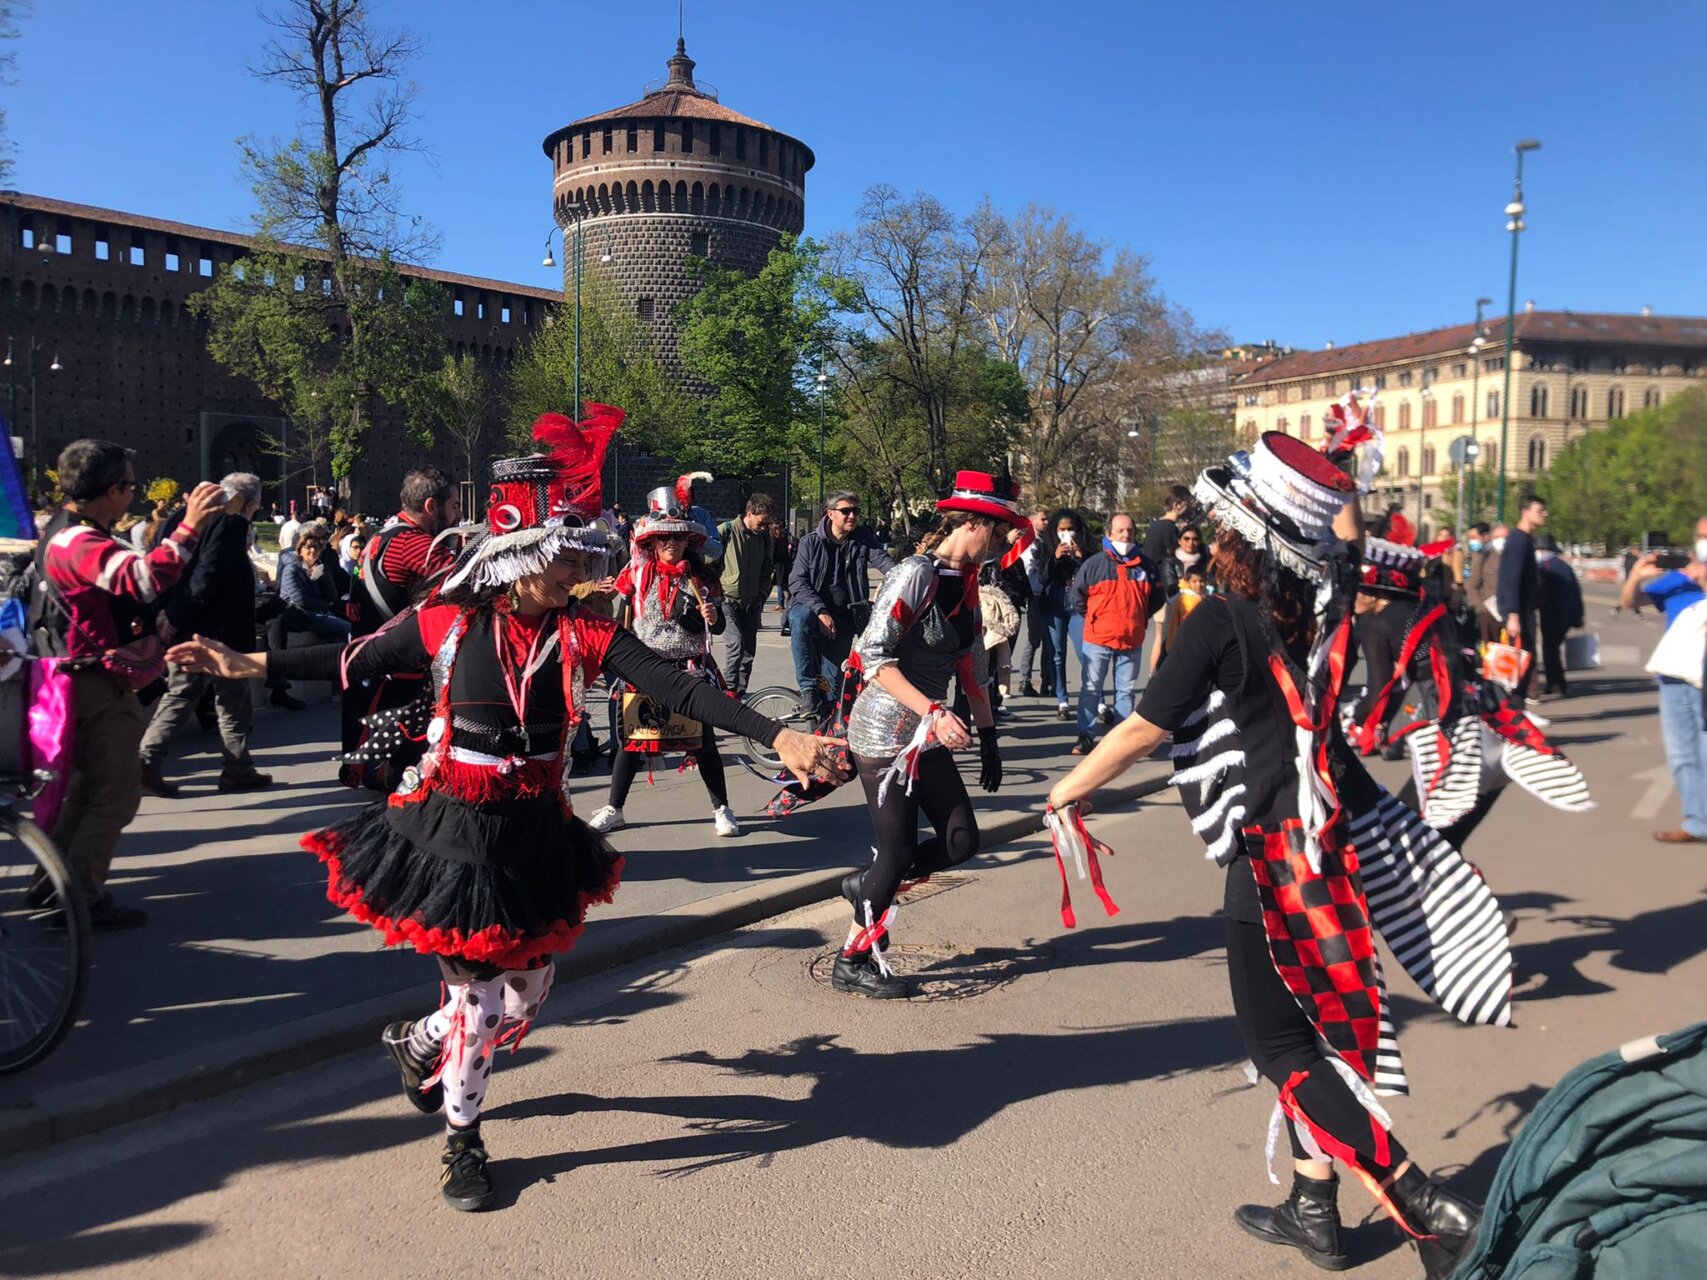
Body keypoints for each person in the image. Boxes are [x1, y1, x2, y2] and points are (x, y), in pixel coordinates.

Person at [166, 407, 841, 1212]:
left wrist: (780, 735)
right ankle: (463, 1142)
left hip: (535, 830)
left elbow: (675, 685)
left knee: (527, 994)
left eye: (579, 566)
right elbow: (350, 659)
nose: (576, 579)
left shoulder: (585, 632)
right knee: (481, 999)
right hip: (452, 827)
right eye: (561, 568)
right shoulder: (448, 622)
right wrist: (246, 661)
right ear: (515, 565)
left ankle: (417, 1043)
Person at [1048, 431, 1502, 1279]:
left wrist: (1067, 788)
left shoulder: (1221, 617)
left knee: (1279, 1049)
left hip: (1266, 856)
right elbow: (1355, 552)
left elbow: (1146, 725)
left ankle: (1423, 1203)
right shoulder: (1323, 608)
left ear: (1237, 537)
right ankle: (1313, 1207)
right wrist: (1340, 475)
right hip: (1328, 844)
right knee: (1311, 1036)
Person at [832, 470, 1023, 998]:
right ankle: (852, 959)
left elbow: (972, 669)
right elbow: (874, 657)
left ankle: (864, 887)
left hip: (926, 732)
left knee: (962, 841)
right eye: (1002, 530)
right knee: (894, 853)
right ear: (976, 523)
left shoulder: (969, 583)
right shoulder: (916, 573)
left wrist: (989, 738)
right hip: (884, 732)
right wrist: (935, 711)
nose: (1006, 542)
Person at [33, 441, 226, 928]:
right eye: (130, 486)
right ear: (113, 490)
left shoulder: (62, 532)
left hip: (74, 677)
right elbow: (142, 579)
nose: (133, 496)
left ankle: (54, 883)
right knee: (117, 792)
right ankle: (80, 899)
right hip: (93, 683)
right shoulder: (77, 541)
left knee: (87, 788)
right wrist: (190, 526)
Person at [587, 483, 739, 837]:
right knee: (631, 743)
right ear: (652, 543)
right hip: (646, 668)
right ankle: (615, 808)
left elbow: (717, 629)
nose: (672, 545)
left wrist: (713, 616)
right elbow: (618, 607)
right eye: (664, 539)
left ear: (688, 541)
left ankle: (722, 808)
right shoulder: (637, 574)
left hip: (689, 667)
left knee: (702, 742)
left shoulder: (702, 578)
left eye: (678, 539)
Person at [138, 472, 273, 799]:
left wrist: (167, 614)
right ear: (250, 503)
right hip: (218, 630)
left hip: (185, 623)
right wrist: (176, 615)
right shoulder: (230, 524)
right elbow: (206, 576)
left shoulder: (178, 520)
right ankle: (234, 769)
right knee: (231, 700)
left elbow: (163, 567)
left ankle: (150, 762)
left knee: (183, 695)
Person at [1621, 521, 1707, 844]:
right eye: (1700, 536)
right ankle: (1697, 821)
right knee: (1682, 754)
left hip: (1704, 680)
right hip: (1673, 677)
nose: (1703, 542)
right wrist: (1636, 576)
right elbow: (1631, 602)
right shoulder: (1677, 580)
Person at [788, 491, 896, 716]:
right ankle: (807, 689)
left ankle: (824, 732)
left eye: (856, 511)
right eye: (846, 511)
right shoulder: (810, 542)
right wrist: (820, 610)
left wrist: (904, 575)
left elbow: (884, 562)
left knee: (832, 687)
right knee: (799, 618)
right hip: (812, 610)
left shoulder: (862, 538)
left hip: (845, 617)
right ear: (830, 514)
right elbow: (797, 582)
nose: (852, 516)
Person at [1068, 513, 1162, 755]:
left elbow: (1157, 599)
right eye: (1120, 530)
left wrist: (1139, 619)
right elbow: (1077, 597)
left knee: (1126, 692)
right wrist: (1095, 618)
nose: (1126, 535)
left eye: (1130, 530)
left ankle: (1122, 742)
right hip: (1098, 638)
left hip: (1131, 638)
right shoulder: (1094, 564)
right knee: (1091, 689)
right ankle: (1086, 737)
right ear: (1109, 534)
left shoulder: (1147, 566)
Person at [354, 468, 463, 633]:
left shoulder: (384, 534)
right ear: (431, 506)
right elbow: (469, 580)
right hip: (390, 653)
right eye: (454, 506)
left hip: (368, 643)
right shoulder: (411, 543)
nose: (460, 514)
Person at [715, 492, 777, 697]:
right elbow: (709, 562)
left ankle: (740, 692)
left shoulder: (764, 538)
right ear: (749, 514)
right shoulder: (726, 531)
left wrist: (762, 595)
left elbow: (767, 569)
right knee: (736, 644)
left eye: (767, 524)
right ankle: (728, 690)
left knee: (749, 651)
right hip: (727, 600)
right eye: (761, 522)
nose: (764, 527)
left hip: (752, 602)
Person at [1038, 508, 1088, 719]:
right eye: (1062, 530)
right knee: (1057, 655)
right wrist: (1055, 558)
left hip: (1077, 607)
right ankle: (1062, 700)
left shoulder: (1086, 549)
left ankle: (1096, 699)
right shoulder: (1046, 548)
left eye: (1071, 530)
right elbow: (1042, 578)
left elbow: (1091, 576)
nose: (1067, 534)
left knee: (1085, 654)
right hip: (1053, 604)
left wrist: (1080, 558)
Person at [1497, 496, 1546, 699]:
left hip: (1523, 610)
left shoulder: (1524, 540)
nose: (1545, 514)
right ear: (1525, 512)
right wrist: (1512, 614)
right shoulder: (1518, 541)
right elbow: (1510, 578)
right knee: (1519, 663)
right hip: (1519, 613)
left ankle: (1518, 711)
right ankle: (1514, 713)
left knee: (1524, 661)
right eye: (1540, 510)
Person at [279, 524, 355, 643]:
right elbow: (300, 600)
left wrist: (324, 576)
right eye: (308, 547)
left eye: (316, 547)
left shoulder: (321, 567)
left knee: (350, 628)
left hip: (320, 612)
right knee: (347, 629)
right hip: (301, 614)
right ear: (300, 550)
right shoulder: (292, 569)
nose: (313, 551)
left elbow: (332, 595)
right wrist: (326, 604)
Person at [1535, 534, 1583, 699]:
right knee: (1554, 649)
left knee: (1549, 650)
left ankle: (1555, 683)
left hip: (1550, 614)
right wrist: (1578, 616)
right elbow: (1576, 592)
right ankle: (1558, 683)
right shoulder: (1564, 566)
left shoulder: (1543, 567)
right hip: (1565, 615)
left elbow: (1540, 592)